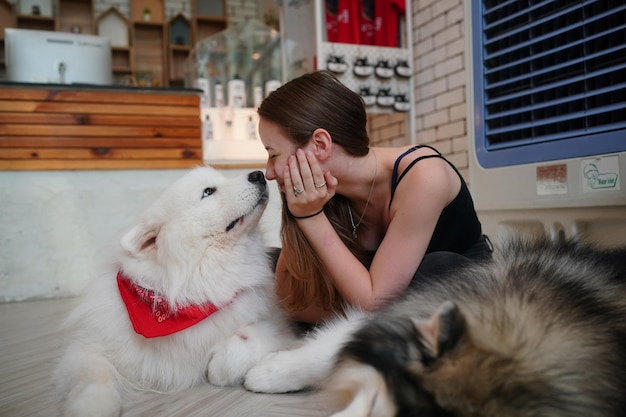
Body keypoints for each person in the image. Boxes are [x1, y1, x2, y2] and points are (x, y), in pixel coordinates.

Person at [258, 70, 492, 324]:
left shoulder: (424, 175)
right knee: (267, 261)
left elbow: (374, 302)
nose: (269, 173)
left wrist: (311, 217)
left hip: (467, 298)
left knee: (436, 270)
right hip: (388, 312)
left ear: (320, 145)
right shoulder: (321, 193)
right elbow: (285, 296)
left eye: (274, 155)